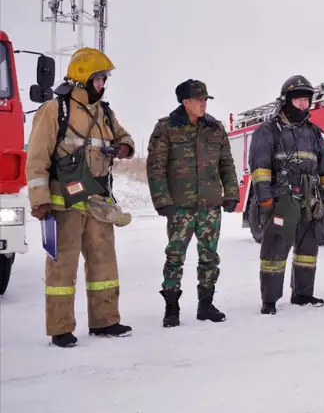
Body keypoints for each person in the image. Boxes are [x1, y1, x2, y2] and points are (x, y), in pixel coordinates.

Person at [25, 47, 136, 348]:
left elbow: (125, 138)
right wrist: (40, 200)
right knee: (62, 268)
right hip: (64, 206)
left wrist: (123, 148)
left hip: (98, 203)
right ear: (84, 78)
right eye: (100, 79)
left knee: (104, 264)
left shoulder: (105, 113)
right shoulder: (54, 111)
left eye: (104, 80)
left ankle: (105, 321)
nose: (103, 85)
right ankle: (60, 328)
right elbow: (36, 158)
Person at [146, 79, 240, 326]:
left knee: (209, 256)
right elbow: (155, 167)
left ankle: (206, 305)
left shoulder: (214, 128)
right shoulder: (166, 128)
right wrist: (162, 201)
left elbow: (226, 164)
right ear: (185, 102)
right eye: (199, 99)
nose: (203, 104)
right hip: (180, 206)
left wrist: (231, 194)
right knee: (175, 256)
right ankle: (172, 308)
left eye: (205, 99)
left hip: (210, 205)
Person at [248, 75, 324, 315]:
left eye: (306, 100)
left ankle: (303, 294)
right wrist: (265, 199)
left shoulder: (313, 133)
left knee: (308, 249)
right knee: (274, 251)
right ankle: (269, 300)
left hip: (310, 199)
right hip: (282, 200)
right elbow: (259, 168)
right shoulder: (268, 131)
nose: (303, 104)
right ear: (286, 100)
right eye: (298, 99)